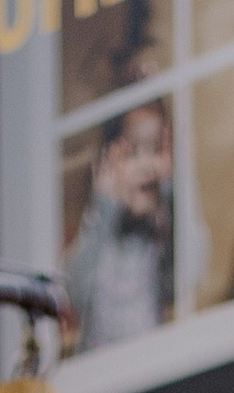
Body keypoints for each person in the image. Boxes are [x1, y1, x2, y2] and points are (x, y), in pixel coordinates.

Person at [66, 98, 175, 349]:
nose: (147, 166)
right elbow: (75, 294)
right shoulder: (98, 233)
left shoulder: (159, 238)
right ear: (105, 166)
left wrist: (172, 190)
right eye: (132, 154)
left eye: (156, 149)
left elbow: (189, 272)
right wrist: (103, 206)